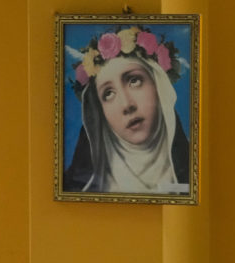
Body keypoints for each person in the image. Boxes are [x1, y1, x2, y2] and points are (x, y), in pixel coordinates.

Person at [63, 26, 190, 195]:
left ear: (159, 85)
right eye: (108, 94)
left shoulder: (193, 182)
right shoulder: (79, 190)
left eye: (134, 80)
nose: (126, 105)